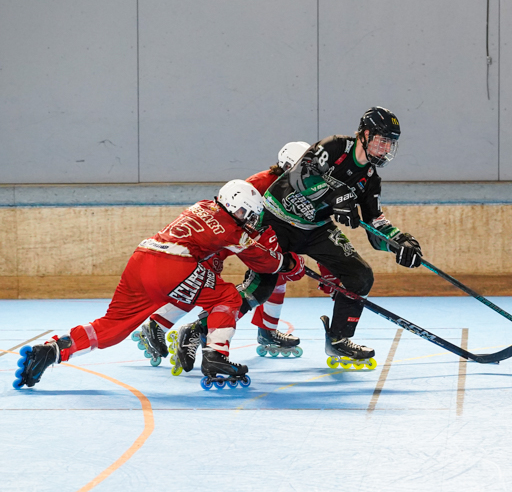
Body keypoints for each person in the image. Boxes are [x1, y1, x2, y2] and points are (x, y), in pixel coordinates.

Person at [13, 180, 304, 389]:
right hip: (172, 267)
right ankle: (216, 357)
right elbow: (262, 261)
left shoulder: (202, 206)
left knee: (113, 325)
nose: (248, 221)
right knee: (227, 296)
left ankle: (54, 350)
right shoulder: (229, 227)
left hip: (142, 259)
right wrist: (289, 264)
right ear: (234, 207)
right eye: (245, 214)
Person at [239, 106, 423, 365]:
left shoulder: (370, 179)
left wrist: (399, 242)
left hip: (314, 228)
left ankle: (338, 340)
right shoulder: (336, 147)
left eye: (390, 144)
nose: (386, 149)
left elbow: (374, 223)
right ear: (366, 134)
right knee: (263, 284)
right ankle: (202, 329)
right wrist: (337, 196)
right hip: (277, 218)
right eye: (382, 141)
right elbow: (300, 176)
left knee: (360, 275)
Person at [135, 143, 315, 370]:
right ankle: (169, 325)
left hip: (248, 239)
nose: (308, 175)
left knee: (273, 276)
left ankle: (267, 331)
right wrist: (278, 257)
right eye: (303, 168)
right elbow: (236, 219)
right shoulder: (259, 185)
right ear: (287, 166)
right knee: (203, 283)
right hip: (232, 240)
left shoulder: (300, 187)